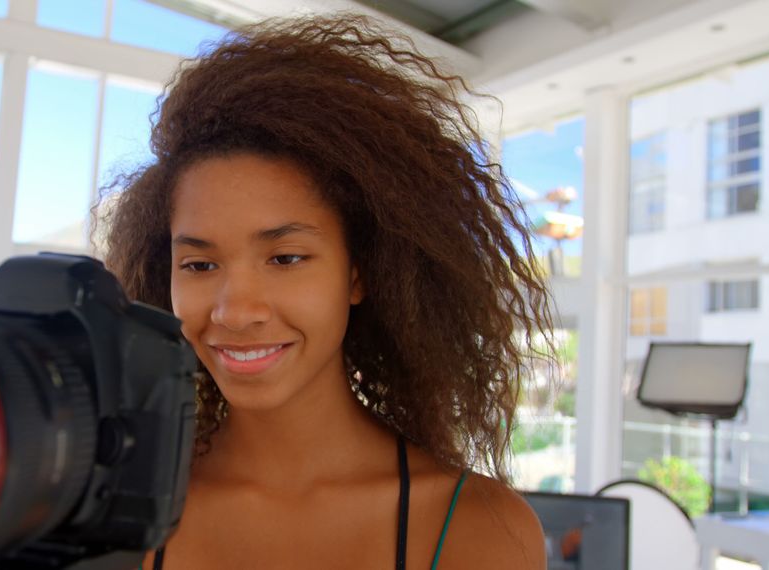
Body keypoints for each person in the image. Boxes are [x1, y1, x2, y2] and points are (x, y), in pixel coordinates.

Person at [100, 13, 553, 569]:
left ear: (358, 273)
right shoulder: (116, 512)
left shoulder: (476, 528)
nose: (235, 311)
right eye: (198, 264)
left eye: (285, 258)